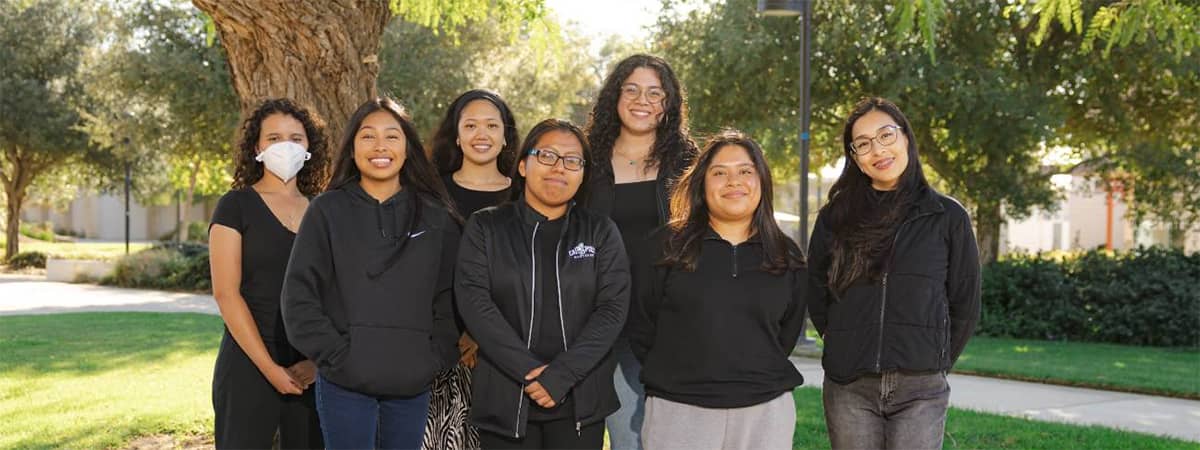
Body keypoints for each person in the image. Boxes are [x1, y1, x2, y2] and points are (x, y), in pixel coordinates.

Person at [281, 97, 461, 450]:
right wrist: (337, 357)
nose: (380, 146)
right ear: (352, 148)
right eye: (368, 136)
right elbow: (299, 297)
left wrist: (432, 358)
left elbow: (450, 298)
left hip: (411, 383)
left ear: (407, 149)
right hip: (344, 383)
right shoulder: (326, 211)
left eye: (392, 136)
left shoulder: (436, 217)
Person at [807, 97, 981, 450]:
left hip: (921, 387)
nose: (878, 150)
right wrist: (842, 341)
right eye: (863, 144)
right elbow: (815, 290)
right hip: (849, 385)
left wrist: (934, 359)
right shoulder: (835, 218)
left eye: (886, 135)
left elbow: (965, 301)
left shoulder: (947, 216)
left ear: (906, 138)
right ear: (854, 157)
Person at [455, 119, 630, 449]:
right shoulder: (486, 227)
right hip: (506, 397)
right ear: (523, 165)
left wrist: (563, 374)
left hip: (580, 399)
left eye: (572, 160)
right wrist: (529, 371)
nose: (559, 167)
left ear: (583, 174)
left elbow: (612, 309)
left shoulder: (600, 231)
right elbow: (474, 302)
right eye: (547, 155)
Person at [631, 130, 806, 450]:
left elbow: (786, 334)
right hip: (679, 411)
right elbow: (641, 326)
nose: (733, 181)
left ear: (762, 181)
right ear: (701, 183)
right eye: (719, 173)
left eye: (745, 171)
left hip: (765, 413)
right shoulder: (664, 248)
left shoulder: (786, 256)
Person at [582, 54, 698, 449]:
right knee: (615, 434)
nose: (641, 100)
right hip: (596, 314)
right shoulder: (586, 159)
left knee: (656, 436)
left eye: (654, 93)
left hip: (661, 318)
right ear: (615, 96)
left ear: (669, 103)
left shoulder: (687, 162)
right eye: (631, 90)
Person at [208, 98, 329, 450]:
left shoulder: (325, 210)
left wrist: (317, 362)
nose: (285, 146)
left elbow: (338, 293)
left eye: (296, 138)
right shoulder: (235, 206)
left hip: (311, 370)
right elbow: (226, 294)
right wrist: (270, 368)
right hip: (247, 363)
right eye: (274, 138)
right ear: (257, 148)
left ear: (309, 148)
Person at [423, 89, 521, 450]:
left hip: (505, 352)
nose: (482, 134)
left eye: (492, 125)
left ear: (506, 135)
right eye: (471, 125)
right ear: (457, 135)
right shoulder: (429, 194)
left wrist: (483, 332)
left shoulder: (525, 195)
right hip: (437, 348)